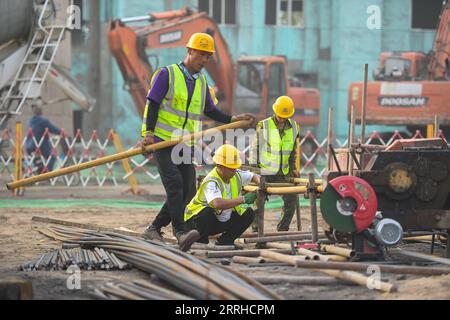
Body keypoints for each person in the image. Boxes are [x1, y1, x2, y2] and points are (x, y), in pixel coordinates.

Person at [141, 32, 254, 251]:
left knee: (188, 189)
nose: (204, 60)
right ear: (189, 51)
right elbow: (152, 104)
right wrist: (148, 134)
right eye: (201, 54)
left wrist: (232, 119)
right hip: (162, 141)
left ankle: (154, 228)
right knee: (174, 184)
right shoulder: (167, 74)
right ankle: (181, 232)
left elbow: (210, 110)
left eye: (207, 57)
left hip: (184, 144)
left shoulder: (202, 82)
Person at [185, 144, 259, 247]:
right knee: (206, 212)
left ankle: (225, 241)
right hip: (195, 223)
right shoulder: (211, 181)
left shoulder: (235, 174)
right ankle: (200, 242)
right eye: (231, 168)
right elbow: (217, 203)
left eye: (235, 167)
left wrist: (263, 186)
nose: (234, 170)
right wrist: (243, 199)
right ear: (220, 166)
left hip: (218, 220)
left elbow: (253, 176)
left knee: (248, 213)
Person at [251, 96, 300, 231]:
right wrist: (254, 168)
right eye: (279, 115)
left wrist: (293, 168)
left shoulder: (294, 127)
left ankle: (283, 228)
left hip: (283, 172)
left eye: (284, 116)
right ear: (275, 111)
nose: (281, 118)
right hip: (264, 171)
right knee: (258, 200)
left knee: (292, 200)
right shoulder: (264, 125)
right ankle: (257, 230)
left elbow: (292, 152)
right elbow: (255, 148)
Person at [25, 104, 61, 173]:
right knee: (52, 158)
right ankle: (47, 174)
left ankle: (39, 171)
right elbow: (53, 129)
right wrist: (62, 132)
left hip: (29, 146)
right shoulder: (43, 121)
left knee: (37, 159)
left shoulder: (30, 121)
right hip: (39, 145)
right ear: (41, 112)